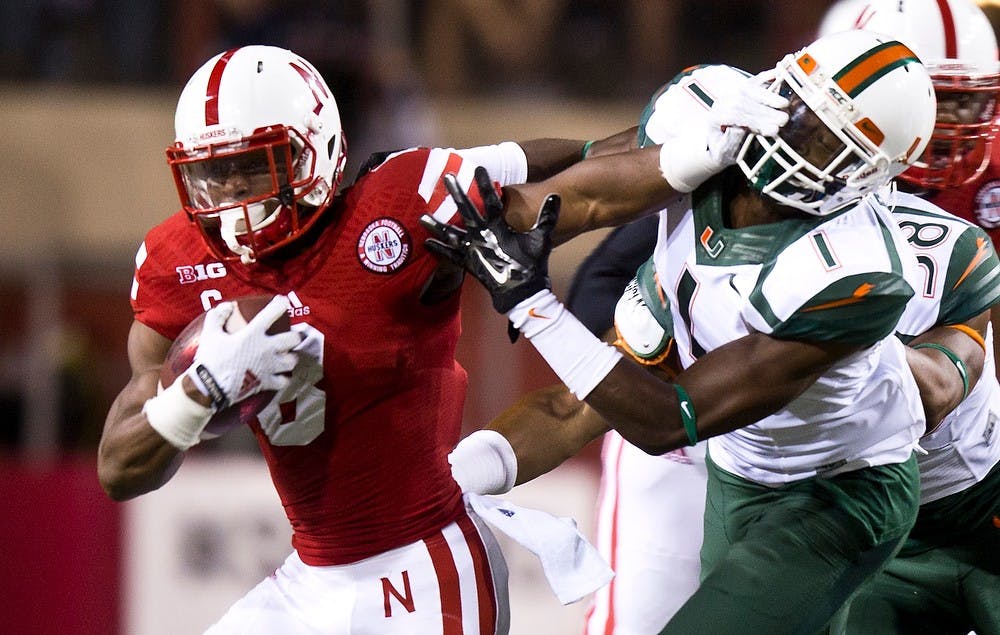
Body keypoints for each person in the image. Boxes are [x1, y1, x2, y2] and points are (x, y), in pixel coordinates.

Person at [426, 29, 961, 634]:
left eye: (824, 136)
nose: (792, 133)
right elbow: (573, 191)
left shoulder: (853, 272)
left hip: (837, 487)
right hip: (741, 468)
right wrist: (437, 490)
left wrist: (533, 305)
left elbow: (665, 420)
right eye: (798, 104)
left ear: (870, 178)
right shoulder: (710, 109)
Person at [95, 44, 612, 634]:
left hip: (420, 570)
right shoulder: (180, 261)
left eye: (255, 167)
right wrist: (196, 394)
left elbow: (525, 173)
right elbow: (118, 469)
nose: (236, 196)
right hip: (310, 579)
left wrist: (665, 158)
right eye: (214, 173)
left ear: (313, 149)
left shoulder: (391, 205)